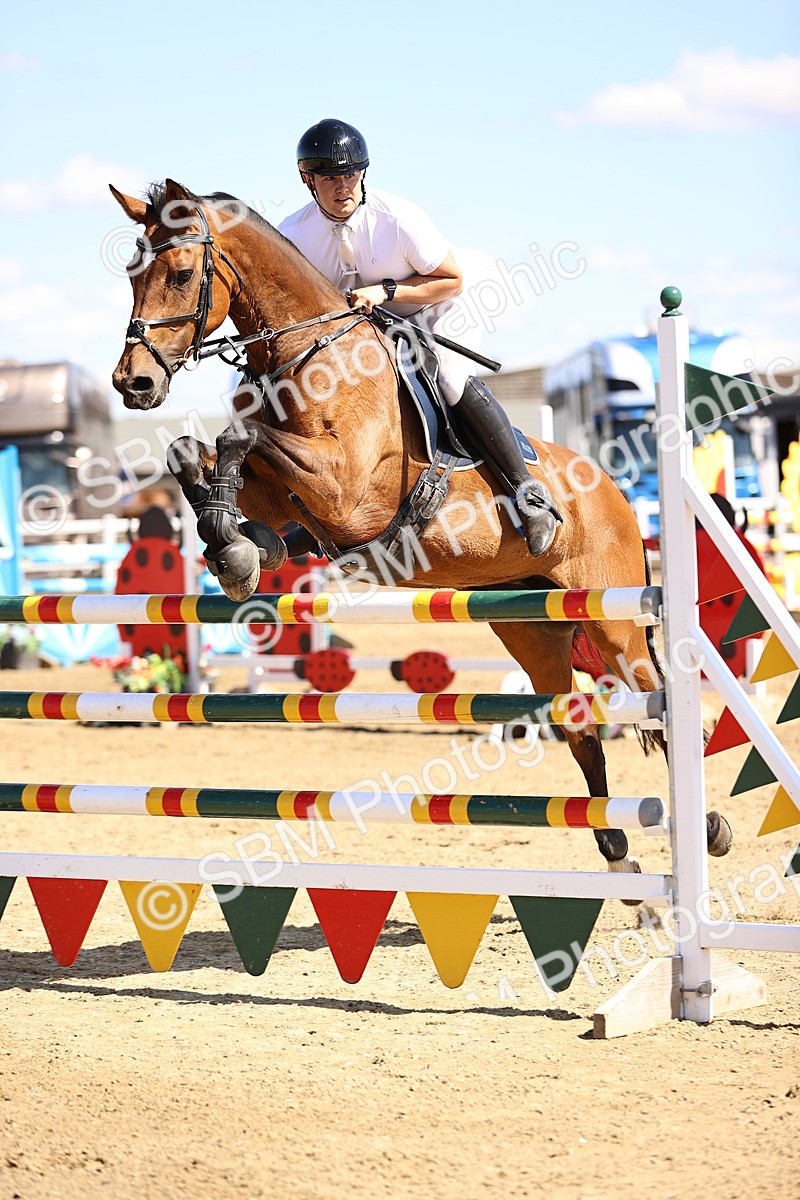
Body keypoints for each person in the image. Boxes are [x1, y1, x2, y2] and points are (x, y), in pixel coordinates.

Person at [278, 118, 559, 558]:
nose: (343, 186)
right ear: (307, 180)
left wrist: (387, 291)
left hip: (432, 308)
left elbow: (452, 279)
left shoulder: (397, 217)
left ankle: (528, 492)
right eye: (330, 177)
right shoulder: (292, 234)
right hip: (362, 333)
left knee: (446, 376)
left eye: (350, 174)